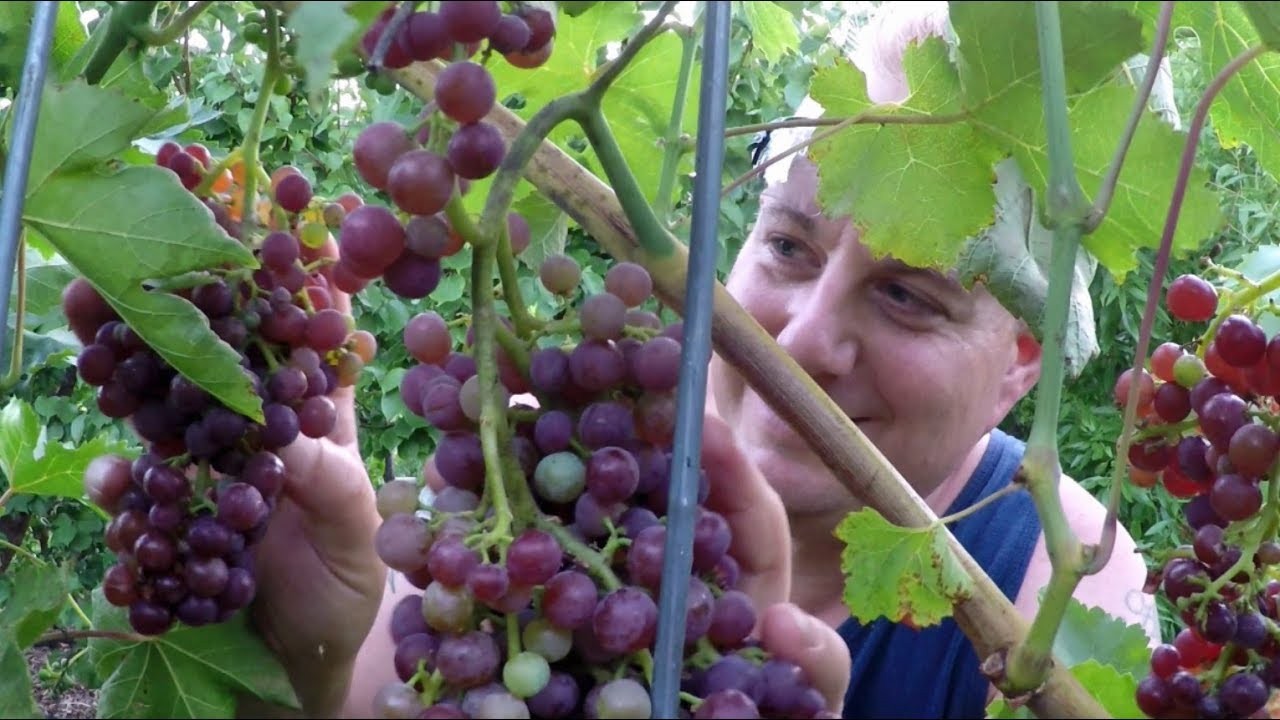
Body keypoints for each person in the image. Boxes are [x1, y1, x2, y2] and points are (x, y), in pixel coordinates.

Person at [82, 3, 1166, 718]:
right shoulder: (527, 489)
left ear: (1021, 363)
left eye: (907, 295)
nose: (796, 340)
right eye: (786, 247)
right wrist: (314, 653)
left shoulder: (1056, 586)